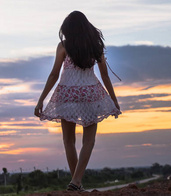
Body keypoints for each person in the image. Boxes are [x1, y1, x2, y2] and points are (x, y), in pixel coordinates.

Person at [34, 11, 121, 191]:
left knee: (69, 141)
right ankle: (76, 182)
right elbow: (104, 75)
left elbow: (53, 74)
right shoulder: (95, 46)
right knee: (89, 141)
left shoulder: (64, 46)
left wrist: (41, 100)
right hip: (91, 95)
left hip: (67, 94)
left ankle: (76, 184)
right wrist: (114, 100)